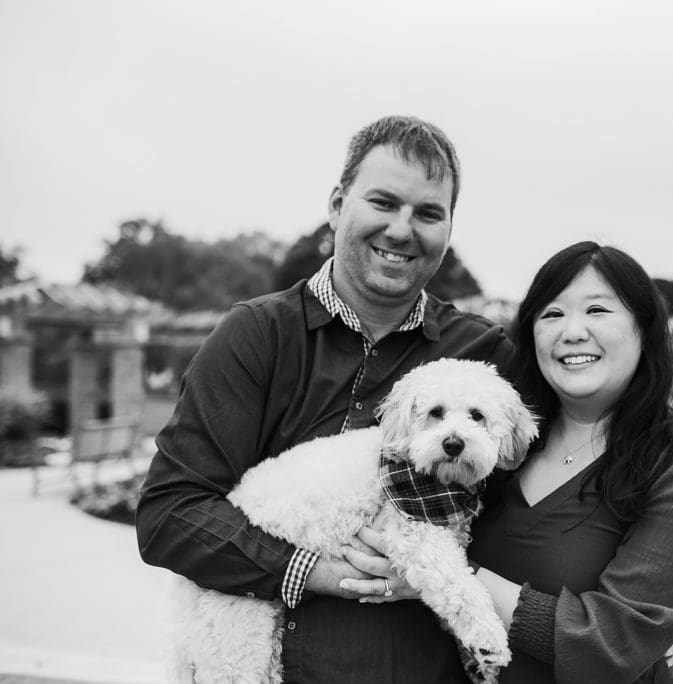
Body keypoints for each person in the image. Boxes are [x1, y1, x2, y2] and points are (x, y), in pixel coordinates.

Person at [136, 115, 510, 681]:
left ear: (449, 227)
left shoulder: (481, 354)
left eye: (429, 213)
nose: (402, 230)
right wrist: (315, 570)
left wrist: (664, 595)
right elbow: (170, 515)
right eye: (383, 202)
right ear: (337, 205)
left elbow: (562, 477)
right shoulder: (256, 336)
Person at [347, 241, 673, 682]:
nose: (572, 332)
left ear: (643, 329)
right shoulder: (502, 441)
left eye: (597, 310)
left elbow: (613, 642)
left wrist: (450, 579)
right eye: (552, 314)